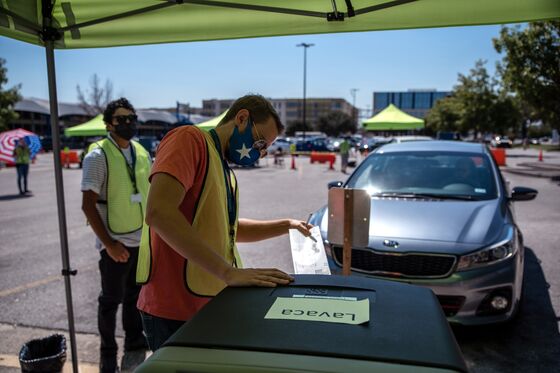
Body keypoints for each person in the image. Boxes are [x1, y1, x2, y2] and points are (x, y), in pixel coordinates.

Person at [136, 94, 312, 351]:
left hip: (205, 302)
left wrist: (286, 224)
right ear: (241, 119)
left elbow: (227, 229)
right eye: (260, 142)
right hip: (173, 309)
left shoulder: (222, 167)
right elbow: (159, 212)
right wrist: (229, 273)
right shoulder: (189, 139)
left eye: (265, 149)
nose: (260, 153)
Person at [81, 98, 150, 373]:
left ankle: (134, 340)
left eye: (131, 118)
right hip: (116, 243)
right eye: (121, 119)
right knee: (110, 300)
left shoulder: (141, 151)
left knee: (135, 296)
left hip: (141, 239)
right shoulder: (97, 156)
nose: (127, 123)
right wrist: (109, 244)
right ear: (109, 124)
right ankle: (107, 351)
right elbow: (88, 204)